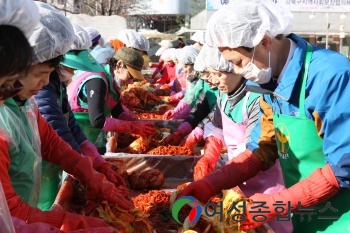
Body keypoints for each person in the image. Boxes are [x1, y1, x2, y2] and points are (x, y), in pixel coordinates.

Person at [180, 0, 350, 232]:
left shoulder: (331, 76)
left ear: (265, 42)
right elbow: (263, 148)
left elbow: (344, 165)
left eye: (238, 63)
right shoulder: (268, 82)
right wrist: (212, 182)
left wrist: (277, 203)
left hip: (342, 215)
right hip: (306, 211)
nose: (239, 72)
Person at [0, 2, 131, 231]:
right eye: (40, 75)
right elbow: (9, 213)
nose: (44, 83)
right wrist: (71, 222)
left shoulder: (24, 103)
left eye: (49, 75)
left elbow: (50, 141)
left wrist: (88, 172)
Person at [192, 45, 288, 232]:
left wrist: (225, 179)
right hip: (236, 175)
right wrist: (210, 155)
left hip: (266, 182)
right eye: (210, 75)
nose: (214, 81)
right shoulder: (223, 95)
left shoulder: (255, 97)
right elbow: (218, 127)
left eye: (219, 74)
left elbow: (258, 146)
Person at [35, 23, 127, 211]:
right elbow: (55, 126)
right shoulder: (43, 86)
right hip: (38, 167)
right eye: (70, 67)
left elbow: (70, 124)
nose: (73, 73)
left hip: (55, 161)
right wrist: (87, 171)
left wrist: (95, 161)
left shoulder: (55, 83)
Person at [67, 47, 156, 153]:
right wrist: (132, 127)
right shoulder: (98, 81)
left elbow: (118, 113)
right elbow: (97, 120)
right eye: (130, 76)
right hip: (72, 134)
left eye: (134, 79)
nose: (131, 82)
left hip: (88, 136)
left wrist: (140, 123)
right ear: (119, 65)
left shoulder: (112, 84)